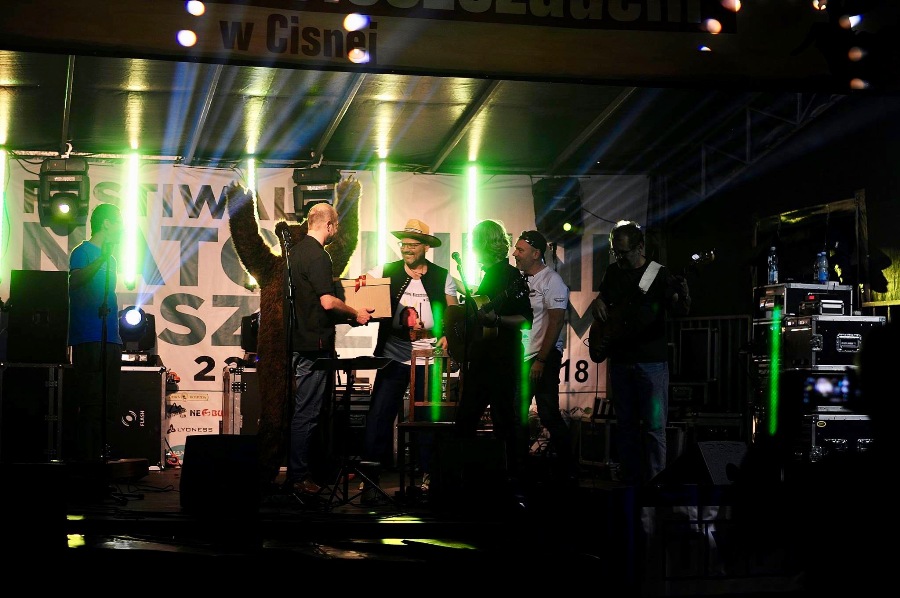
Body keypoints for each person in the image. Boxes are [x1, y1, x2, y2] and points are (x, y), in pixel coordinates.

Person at [359, 219, 459, 503]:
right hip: (393, 355)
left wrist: (448, 334)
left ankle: (429, 479)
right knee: (379, 416)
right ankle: (370, 481)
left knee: (427, 420)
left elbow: (454, 315)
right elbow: (360, 286)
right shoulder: (386, 271)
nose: (406, 249)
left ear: (426, 247)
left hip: (428, 357)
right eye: (403, 244)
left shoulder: (442, 276)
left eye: (412, 244)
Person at [591, 220, 690, 486]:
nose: (619, 258)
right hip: (621, 359)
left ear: (640, 247)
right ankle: (631, 481)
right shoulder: (613, 272)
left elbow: (680, 311)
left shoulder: (659, 274)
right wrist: (598, 302)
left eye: (623, 252)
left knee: (654, 427)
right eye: (615, 252)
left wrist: (683, 295)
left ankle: (655, 483)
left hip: (651, 361)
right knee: (625, 426)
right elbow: (605, 300)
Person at [284, 202, 373, 497]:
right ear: (329, 225)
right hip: (314, 346)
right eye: (336, 225)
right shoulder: (319, 256)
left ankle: (301, 473)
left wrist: (347, 315)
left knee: (304, 411)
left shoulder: (294, 253)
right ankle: (298, 477)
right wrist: (356, 313)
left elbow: (308, 303)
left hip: (299, 342)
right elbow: (326, 301)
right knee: (308, 413)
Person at [452, 219, 533, 495]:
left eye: (475, 243)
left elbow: (526, 319)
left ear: (483, 244)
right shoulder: (490, 275)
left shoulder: (510, 277)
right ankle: (470, 479)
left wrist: (497, 319)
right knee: (470, 418)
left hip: (501, 359)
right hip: (483, 358)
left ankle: (509, 480)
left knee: (502, 420)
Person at [512, 230, 577, 484]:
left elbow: (556, 321)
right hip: (523, 356)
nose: (515, 254)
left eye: (520, 250)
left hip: (543, 357)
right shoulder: (520, 280)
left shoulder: (552, 281)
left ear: (536, 253)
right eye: (516, 249)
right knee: (517, 414)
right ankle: (520, 469)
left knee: (548, 413)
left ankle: (568, 469)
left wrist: (541, 360)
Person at [65, 202, 126, 463]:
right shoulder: (83, 252)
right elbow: (75, 281)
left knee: (108, 404)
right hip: (88, 337)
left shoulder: (111, 259)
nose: (121, 227)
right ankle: (86, 461)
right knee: (90, 403)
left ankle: (103, 457)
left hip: (110, 338)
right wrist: (101, 258)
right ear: (106, 223)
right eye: (118, 221)